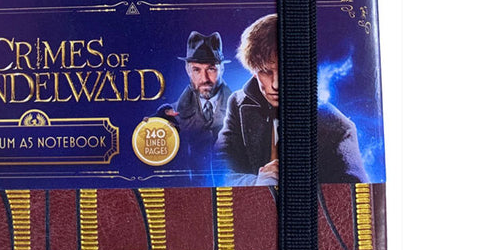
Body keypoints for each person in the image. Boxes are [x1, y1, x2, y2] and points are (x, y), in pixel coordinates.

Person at [216, 13, 368, 186]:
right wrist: (257, 183)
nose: (276, 84)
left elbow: (349, 194)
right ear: (253, 71)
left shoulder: (339, 130)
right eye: (266, 71)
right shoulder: (238, 103)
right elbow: (220, 170)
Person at [157, 31, 232, 170]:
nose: (204, 79)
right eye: (196, 70)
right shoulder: (169, 116)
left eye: (211, 69)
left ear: (222, 68)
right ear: (187, 70)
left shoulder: (244, 112)